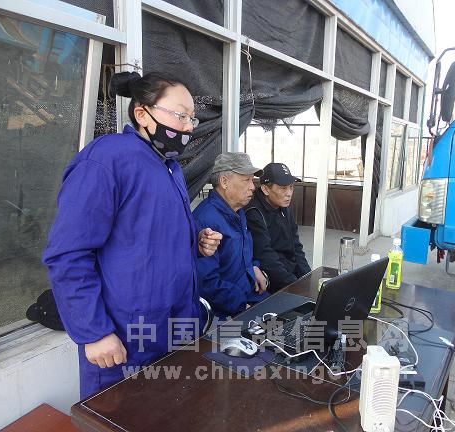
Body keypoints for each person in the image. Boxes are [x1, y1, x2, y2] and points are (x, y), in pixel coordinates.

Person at [43, 71, 222, 398]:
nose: (188, 127)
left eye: (192, 118)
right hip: (126, 337)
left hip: (176, 325)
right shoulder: (106, 159)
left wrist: (196, 241)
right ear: (142, 113)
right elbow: (68, 254)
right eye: (180, 115)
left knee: (174, 409)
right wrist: (95, 332)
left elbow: (148, 234)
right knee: (122, 413)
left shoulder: (169, 166)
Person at [193, 153, 269, 320]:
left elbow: (242, 252)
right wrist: (241, 305)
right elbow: (207, 282)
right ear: (224, 182)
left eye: (252, 180)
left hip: (249, 294)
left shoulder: (237, 211)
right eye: (246, 180)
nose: (252, 187)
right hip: (225, 312)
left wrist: (253, 267)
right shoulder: (205, 221)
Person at [246, 163, 311, 293]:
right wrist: (295, 286)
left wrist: (308, 278)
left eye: (291, 187)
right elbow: (265, 256)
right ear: (265, 189)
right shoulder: (254, 212)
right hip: (272, 280)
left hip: (291, 271)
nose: (289, 193)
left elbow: (296, 247)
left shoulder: (284, 206)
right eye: (283, 188)